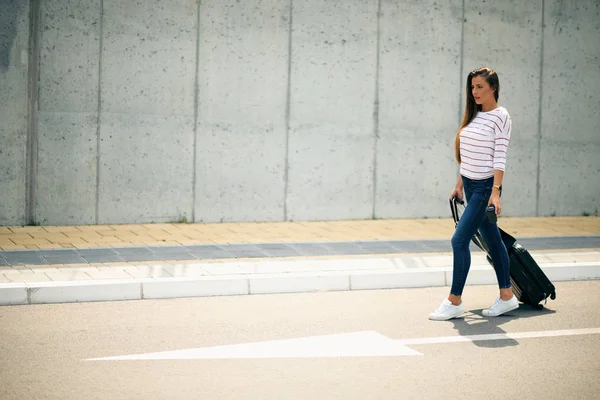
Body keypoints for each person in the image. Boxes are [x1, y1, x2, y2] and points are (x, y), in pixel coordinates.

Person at [429, 66, 517, 321]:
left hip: (485, 188)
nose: (474, 92)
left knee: (459, 240)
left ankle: (454, 301)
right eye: (472, 87)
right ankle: (507, 297)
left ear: (493, 88)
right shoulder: (475, 115)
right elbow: (468, 155)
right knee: (493, 239)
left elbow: (499, 157)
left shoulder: (501, 116)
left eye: (480, 86)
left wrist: (496, 192)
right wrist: (459, 183)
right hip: (469, 184)